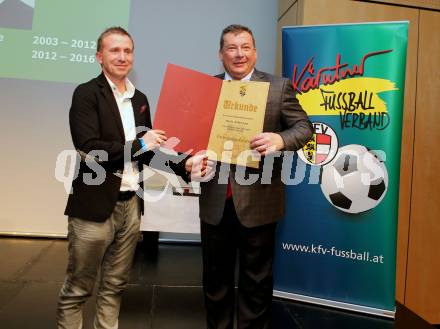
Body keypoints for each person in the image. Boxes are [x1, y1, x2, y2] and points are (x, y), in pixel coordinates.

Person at [57, 27, 188, 329]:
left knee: (115, 286)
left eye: (128, 51)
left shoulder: (139, 98)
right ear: (99, 57)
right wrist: (141, 144)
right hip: (93, 206)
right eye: (114, 50)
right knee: (78, 289)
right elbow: (90, 149)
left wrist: (184, 166)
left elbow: (148, 152)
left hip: (131, 207)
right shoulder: (86, 93)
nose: (122, 56)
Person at [193, 24, 313, 329]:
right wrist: (191, 161)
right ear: (221, 54)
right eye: (231, 47)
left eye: (245, 46)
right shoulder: (206, 88)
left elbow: (304, 128)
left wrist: (279, 140)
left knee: (256, 283)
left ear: (255, 52)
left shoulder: (278, 87)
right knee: (215, 282)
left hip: (260, 202)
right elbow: (192, 139)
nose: (239, 53)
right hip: (216, 201)